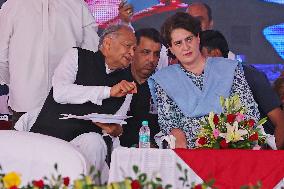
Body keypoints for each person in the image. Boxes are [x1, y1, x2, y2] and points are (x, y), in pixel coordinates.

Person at [27, 24, 136, 172]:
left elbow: (117, 126)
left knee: (95, 141)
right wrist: (108, 92)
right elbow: (60, 93)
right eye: (128, 46)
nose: (132, 53)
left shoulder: (126, 83)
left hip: (84, 145)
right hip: (50, 136)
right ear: (108, 43)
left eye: (134, 49)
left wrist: (115, 130)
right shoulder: (77, 56)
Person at [148, 12, 260, 148]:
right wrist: (182, 148)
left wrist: (231, 140)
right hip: (189, 157)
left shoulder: (229, 69)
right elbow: (169, 124)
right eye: (178, 43)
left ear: (198, 38)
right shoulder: (165, 80)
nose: (185, 47)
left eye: (189, 39)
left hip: (232, 149)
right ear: (170, 48)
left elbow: (249, 111)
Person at [0, 0, 100, 125]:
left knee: (25, 144)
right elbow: (90, 56)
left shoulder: (12, 5)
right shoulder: (78, 5)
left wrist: (20, 83)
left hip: (26, 101)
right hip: (68, 103)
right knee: (65, 144)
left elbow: (1, 59)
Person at [200, 29, 284, 149]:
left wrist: (269, 159)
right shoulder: (202, 82)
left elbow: (281, 121)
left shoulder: (250, 76)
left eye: (199, 57)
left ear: (215, 54)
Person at [120, 28, 162, 147]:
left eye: (156, 54)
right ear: (133, 51)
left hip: (154, 152)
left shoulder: (163, 85)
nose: (152, 59)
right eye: (146, 52)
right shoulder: (116, 81)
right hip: (119, 151)